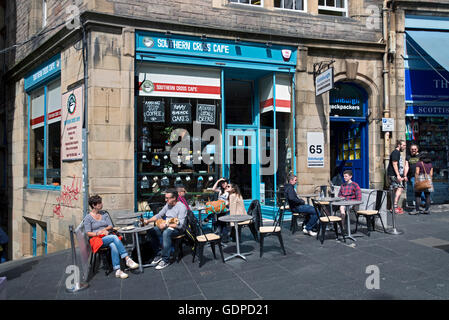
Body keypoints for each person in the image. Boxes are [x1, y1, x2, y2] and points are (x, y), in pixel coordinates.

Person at [84, 194, 139, 279]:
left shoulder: (104, 214)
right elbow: (88, 232)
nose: (101, 204)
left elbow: (110, 226)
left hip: (107, 236)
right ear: (94, 205)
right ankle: (127, 258)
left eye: (101, 202)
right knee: (114, 238)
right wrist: (98, 233)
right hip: (97, 240)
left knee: (113, 245)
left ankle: (117, 270)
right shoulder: (88, 218)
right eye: (99, 203)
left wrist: (104, 230)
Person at [143, 188, 188, 270]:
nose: (165, 200)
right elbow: (159, 215)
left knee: (166, 233)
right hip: (166, 226)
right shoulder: (168, 205)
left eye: (167, 198)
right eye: (165, 198)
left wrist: (166, 224)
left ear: (174, 198)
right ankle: (159, 254)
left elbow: (180, 225)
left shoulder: (181, 207)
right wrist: (148, 221)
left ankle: (165, 260)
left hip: (177, 229)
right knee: (151, 231)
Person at [387, 140, 407, 214]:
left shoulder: (397, 152)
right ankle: (394, 207)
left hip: (394, 174)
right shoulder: (396, 152)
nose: (404, 147)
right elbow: (394, 164)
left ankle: (393, 206)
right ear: (399, 145)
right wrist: (398, 175)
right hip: (394, 174)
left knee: (396, 190)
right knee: (400, 188)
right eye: (403, 145)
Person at [405, 144, 425, 210]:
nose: (413, 150)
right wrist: (405, 175)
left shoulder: (420, 156)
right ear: (410, 149)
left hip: (420, 175)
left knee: (419, 189)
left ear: (417, 149)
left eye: (415, 149)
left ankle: (423, 202)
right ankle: (423, 202)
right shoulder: (408, 157)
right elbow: (406, 166)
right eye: (412, 149)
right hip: (412, 176)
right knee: (418, 189)